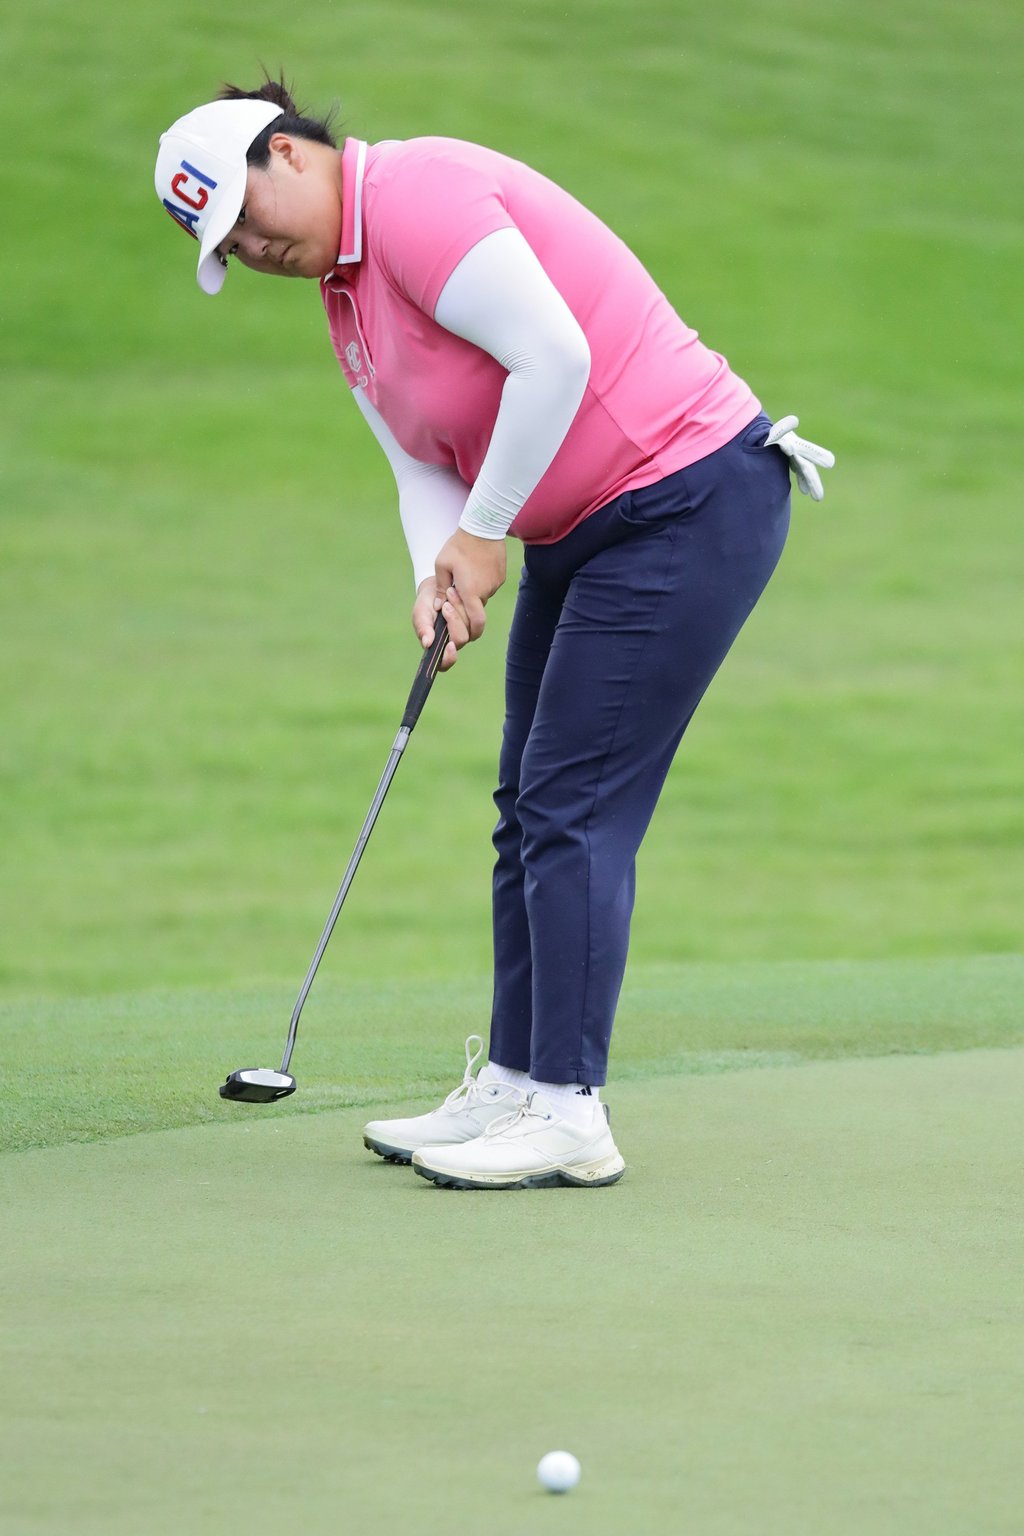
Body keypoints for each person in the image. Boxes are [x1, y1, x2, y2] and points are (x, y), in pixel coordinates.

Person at [155, 76, 834, 1191]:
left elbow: (554, 357)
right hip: (589, 529)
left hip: (684, 497)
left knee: (572, 803)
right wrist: (440, 575)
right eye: (225, 242)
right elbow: (417, 455)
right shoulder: (346, 292)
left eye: (246, 211)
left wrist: (481, 538)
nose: (252, 245)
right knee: (527, 806)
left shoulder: (416, 195)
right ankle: (518, 1081)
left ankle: (568, 1110)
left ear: (290, 152)